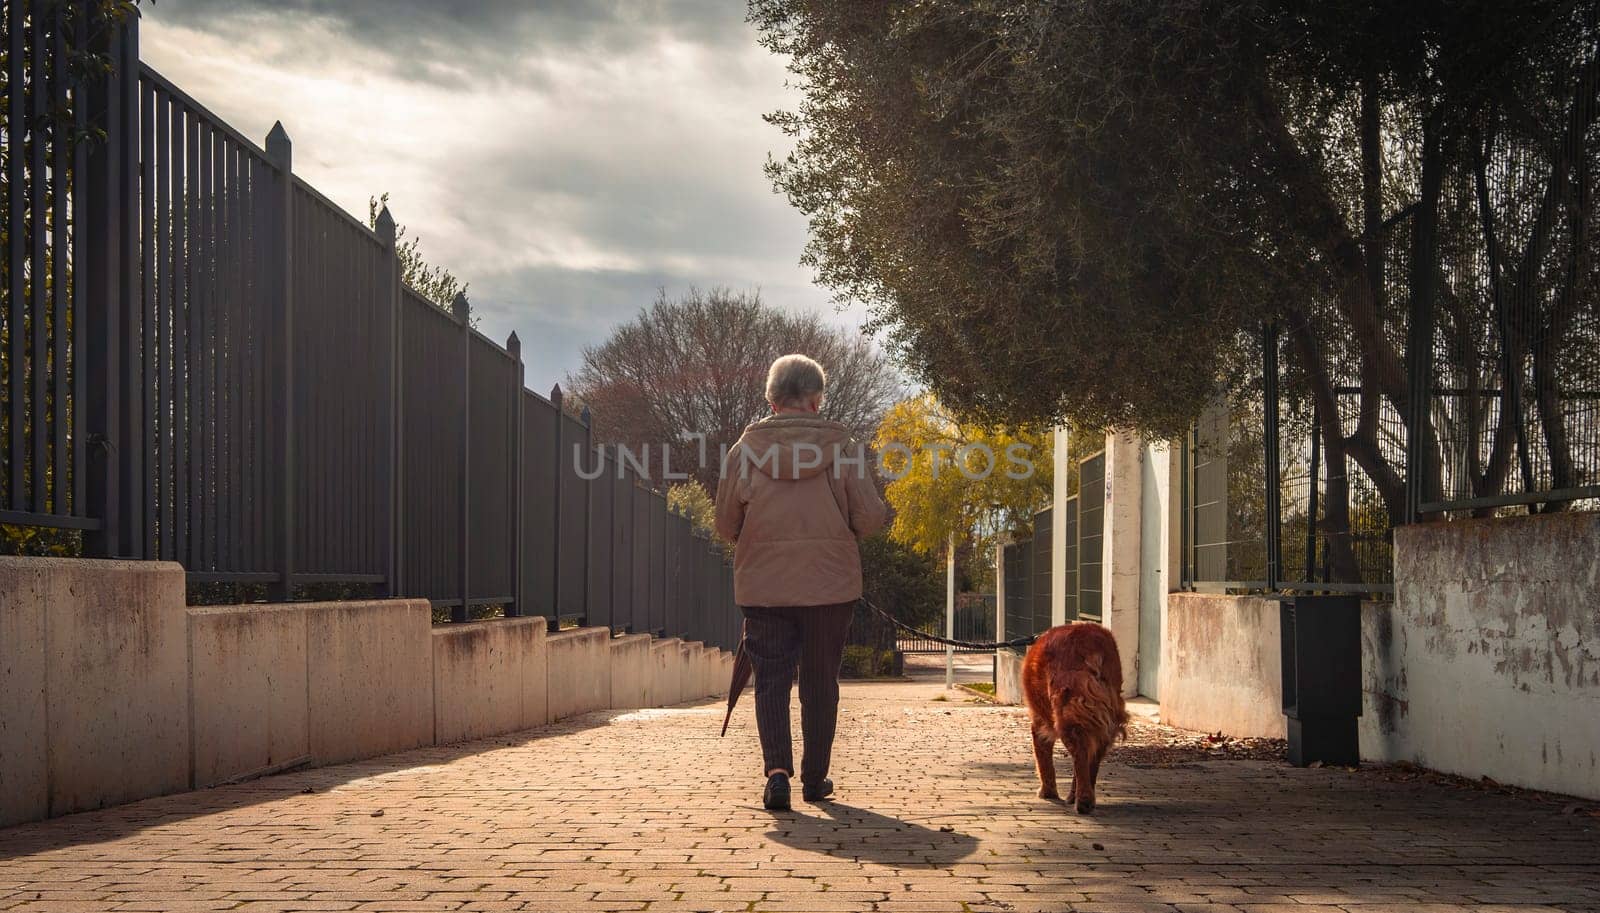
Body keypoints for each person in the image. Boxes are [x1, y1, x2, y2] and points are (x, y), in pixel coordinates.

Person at [714, 353, 887, 811]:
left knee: (770, 679)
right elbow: (868, 519)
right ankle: (815, 778)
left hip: (764, 587)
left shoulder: (743, 452)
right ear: (816, 400)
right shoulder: (843, 449)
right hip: (830, 586)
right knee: (819, 680)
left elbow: (725, 523)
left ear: (771, 400)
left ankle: (776, 775)